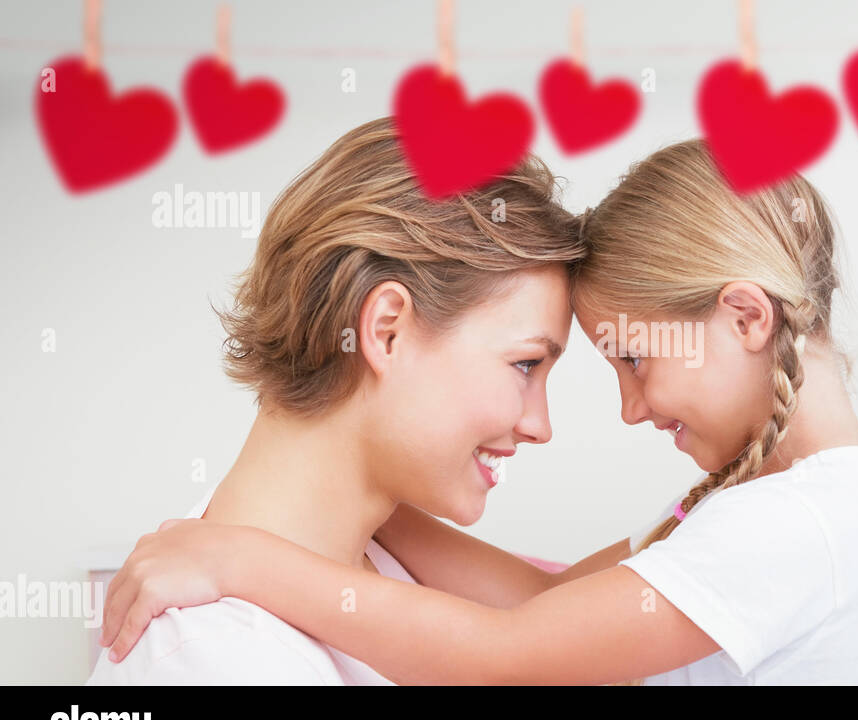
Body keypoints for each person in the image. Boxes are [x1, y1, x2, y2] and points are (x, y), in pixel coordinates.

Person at [99, 138, 858, 685]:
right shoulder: (207, 650)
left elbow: (508, 650)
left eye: (632, 358)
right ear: (383, 331)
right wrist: (362, 487)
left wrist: (241, 556)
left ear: (747, 318)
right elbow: (531, 601)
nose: (616, 410)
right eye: (525, 363)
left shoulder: (798, 520)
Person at [87, 116, 586, 684]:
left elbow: (550, 618)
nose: (540, 425)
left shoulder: (390, 571)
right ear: (386, 331)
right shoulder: (215, 661)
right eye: (526, 364)